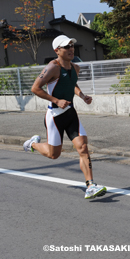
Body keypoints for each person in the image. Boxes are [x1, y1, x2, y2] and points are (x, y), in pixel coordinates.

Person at [23, 35, 107, 200]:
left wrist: (82, 96)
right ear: (57, 50)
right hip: (54, 116)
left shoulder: (76, 68)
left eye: (71, 45)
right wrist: (56, 100)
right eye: (66, 46)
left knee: (82, 147)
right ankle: (32, 144)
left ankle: (90, 185)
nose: (70, 49)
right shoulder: (52, 68)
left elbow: (71, 83)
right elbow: (35, 88)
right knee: (54, 155)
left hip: (70, 113)